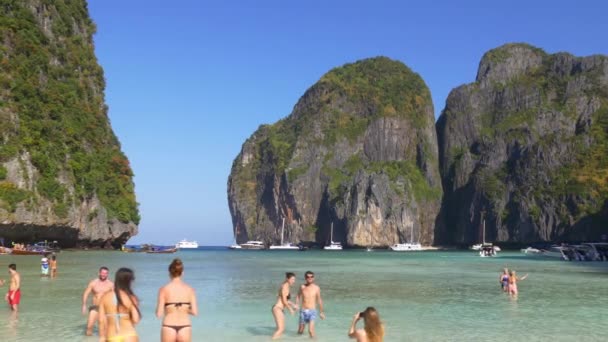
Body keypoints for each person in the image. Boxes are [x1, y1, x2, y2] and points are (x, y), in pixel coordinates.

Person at [156, 258, 198, 342]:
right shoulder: (190, 289)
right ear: (182, 273)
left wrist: (169, 308)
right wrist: (185, 309)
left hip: (168, 326)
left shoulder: (163, 289)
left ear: (169, 273)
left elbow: (159, 314)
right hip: (185, 326)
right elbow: (195, 312)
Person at [98, 268, 140, 342]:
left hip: (112, 336)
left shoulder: (104, 297)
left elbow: (101, 320)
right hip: (129, 335)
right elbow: (136, 319)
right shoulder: (132, 298)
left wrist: (102, 337)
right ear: (129, 281)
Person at [82, 266, 114, 336]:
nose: (104, 274)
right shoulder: (93, 283)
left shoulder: (111, 284)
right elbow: (86, 293)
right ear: (99, 273)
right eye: (102, 273)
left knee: (104, 329)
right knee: (89, 326)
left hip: (105, 308)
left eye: (106, 273)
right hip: (95, 307)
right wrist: (84, 305)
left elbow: (115, 297)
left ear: (107, 274)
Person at [296, 271, 325, 338]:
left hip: (312, 311)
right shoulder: (302, 287)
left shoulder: (316, 288)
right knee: (300, 331)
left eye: (311, 277)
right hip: (303, 311)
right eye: (308, 277)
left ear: (313, 278)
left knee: (311, 331)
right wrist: (297, 304)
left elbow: (319, 300)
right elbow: (298, 296)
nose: (310, 278)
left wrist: (321, 312)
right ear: (305, 278)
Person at [271, 272, 298, 339]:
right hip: (278, 308)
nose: (293, 281)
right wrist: (290, 309)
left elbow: (286, 300)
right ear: (287, 279)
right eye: (292, 279)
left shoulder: (286, 286)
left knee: (281, 329)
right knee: (281, 329)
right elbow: (284, 300)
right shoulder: (285, 286)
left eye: (294, 279)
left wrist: (293, 305)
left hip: (280, 309)